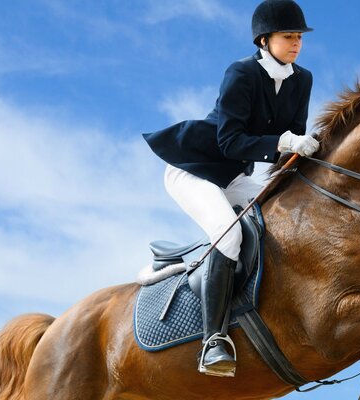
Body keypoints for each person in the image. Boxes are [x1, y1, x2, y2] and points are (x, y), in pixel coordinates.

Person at [142, 0, 318, 377]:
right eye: (289, 36)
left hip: (235, 175)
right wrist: (286, 142)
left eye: (299, 37)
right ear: (264, 39)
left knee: (280, 217)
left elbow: (294, 139)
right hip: (195, 169)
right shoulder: (240, 73)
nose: (297, 43)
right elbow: (230, 142)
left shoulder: (302, 79)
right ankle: (213, 340)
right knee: (230, 236)